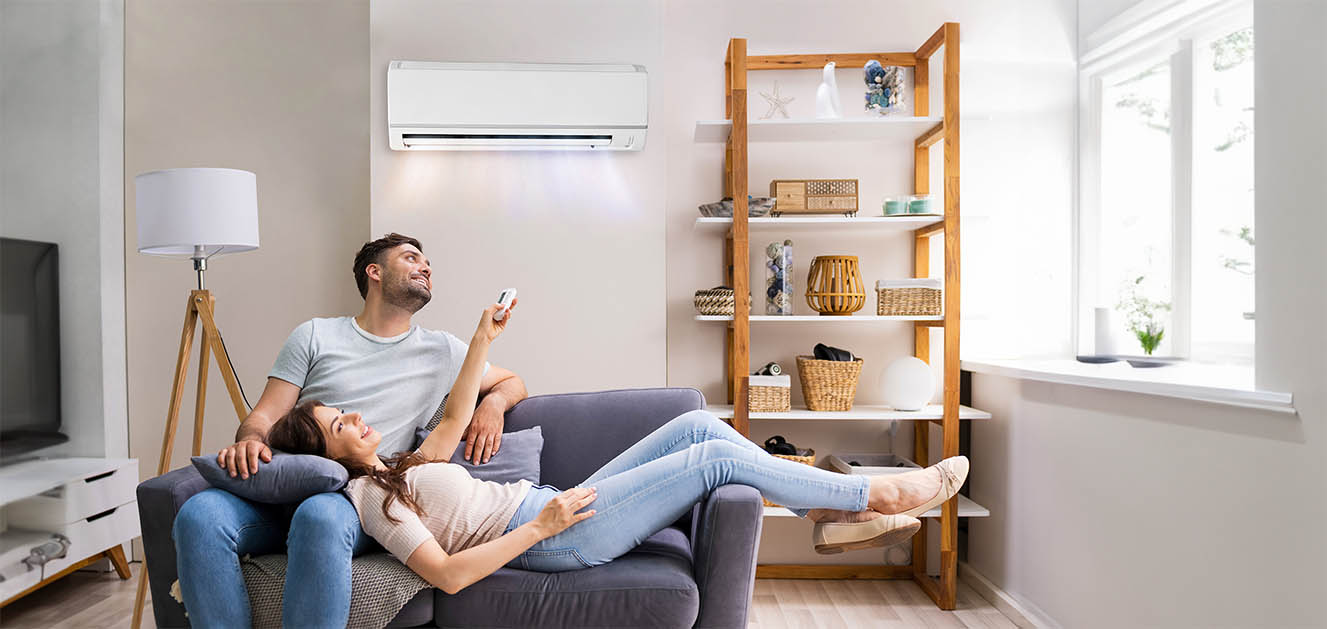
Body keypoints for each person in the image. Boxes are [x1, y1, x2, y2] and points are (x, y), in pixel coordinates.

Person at [267, 299, 970, 596]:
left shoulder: (399, 463)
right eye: (339, 423)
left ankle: (826, 515)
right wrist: (540, 526)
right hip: (551, 535)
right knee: (713, 458)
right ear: (327, 455)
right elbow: (447, 576)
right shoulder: (367, 499)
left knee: (696, 426)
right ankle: (867, 495)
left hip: (548, 506)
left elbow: (455, 410)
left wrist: (484, 339)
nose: (358, 416)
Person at [172, 233, 529, 628]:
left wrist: (493, 405)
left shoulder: (443, 349)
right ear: (374, 272)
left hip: (357, 498)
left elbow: (513, 382)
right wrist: (251, 441)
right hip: (284, 488)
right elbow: (263, 416)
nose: (425, 267)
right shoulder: (314, 335)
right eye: (411, 258)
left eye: (427, 262)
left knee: (319, 514)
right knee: (199, 514)